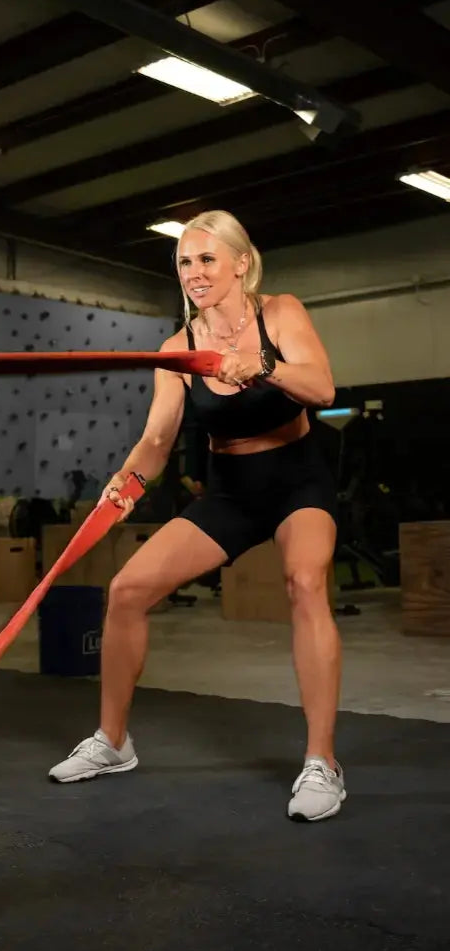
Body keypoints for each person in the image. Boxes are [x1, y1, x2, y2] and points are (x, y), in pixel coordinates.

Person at [48, 210, 344, 823]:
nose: (195, 272)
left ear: (241, 263)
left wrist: (263, 366)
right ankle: (113, 742)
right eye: (185, 261)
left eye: (208, 259)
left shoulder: (280, 313)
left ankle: (322, 762)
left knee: (305, 581)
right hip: (229, 492)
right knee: (126, 590)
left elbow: (323, 389)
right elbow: (158, 441)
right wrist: (126, 482)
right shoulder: (176, 350)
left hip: (296, 479)